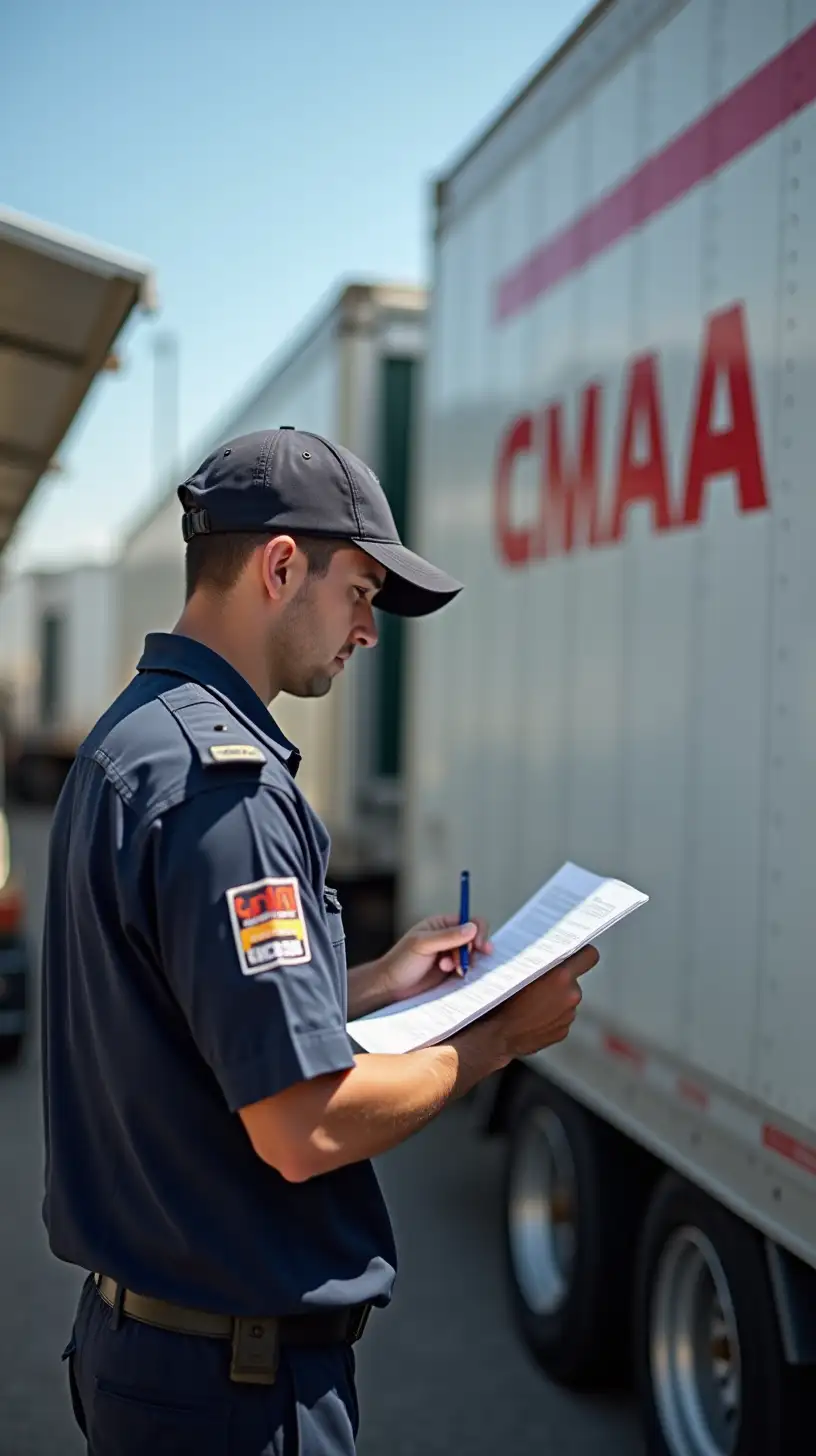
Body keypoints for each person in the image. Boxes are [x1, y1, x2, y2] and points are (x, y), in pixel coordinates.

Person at [41, 427, 597, 1455]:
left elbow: (187, 1012)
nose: (369, 630)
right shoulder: (228, 790)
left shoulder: (134, 738)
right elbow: (303, 1126)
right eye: (361, 592)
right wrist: (500, 1041)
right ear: (282, 565)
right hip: (230, 1393)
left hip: (155, 1357)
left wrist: (379, 978)